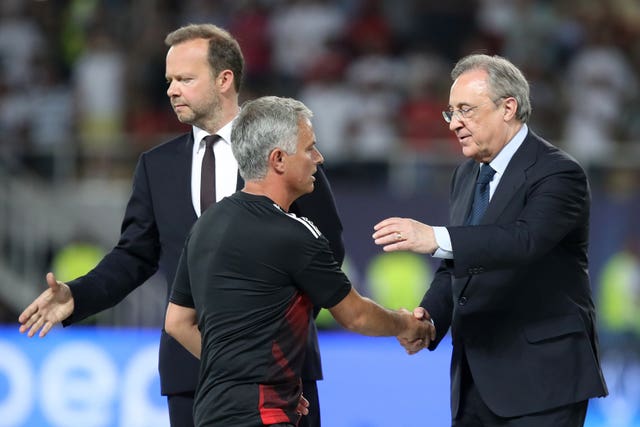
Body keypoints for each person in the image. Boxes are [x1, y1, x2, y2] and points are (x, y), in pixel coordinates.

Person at [18, 24, 345, 427]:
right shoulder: (157, 166)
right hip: (191, 371)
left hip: (279, 369)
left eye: (185, 79)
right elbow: (134, 256)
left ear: (225, 80)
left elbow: (328, 249)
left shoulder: (287, 152)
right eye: (169, 80)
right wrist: (78, 296)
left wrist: (274, 337)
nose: (172, 90)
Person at [165, 95, 434, 427]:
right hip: (264, 416)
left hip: (210, 412)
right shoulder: (293, 233)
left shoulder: (206, 224)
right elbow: (356, 315)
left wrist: (245, 376)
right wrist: (407, 325)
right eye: (309, 148)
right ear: (278, 159)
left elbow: (177, 323)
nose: (318, 159)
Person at [372, 54, 608, 426]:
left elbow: (523, 241)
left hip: (542, 383)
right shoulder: (466, 175)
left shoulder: (559, 173)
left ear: (508, 108)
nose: (455, 124)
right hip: (474, 381)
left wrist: (433, 236)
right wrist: (431, 317)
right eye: (450, 112)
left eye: (465, 109)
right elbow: (461, 262)